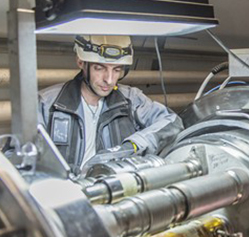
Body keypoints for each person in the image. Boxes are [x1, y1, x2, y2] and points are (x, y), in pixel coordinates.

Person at [38, 35, 183, 173]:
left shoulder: (131, 99)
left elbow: (172, 122)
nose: (109, 79)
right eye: (100, 68)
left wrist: (132, 145)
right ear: (81, 63)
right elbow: (26, 158)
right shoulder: (48, 103)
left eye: (117, 70)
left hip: (115, 188)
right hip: (67, 192)